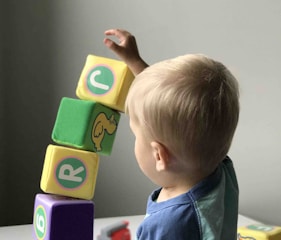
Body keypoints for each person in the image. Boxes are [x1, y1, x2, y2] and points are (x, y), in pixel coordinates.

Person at [104, 29, 240, 240]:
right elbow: (180, 114)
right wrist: (135, 62)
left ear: (159, 156)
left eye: (135, 135)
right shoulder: (218, 167)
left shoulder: (169, 225)